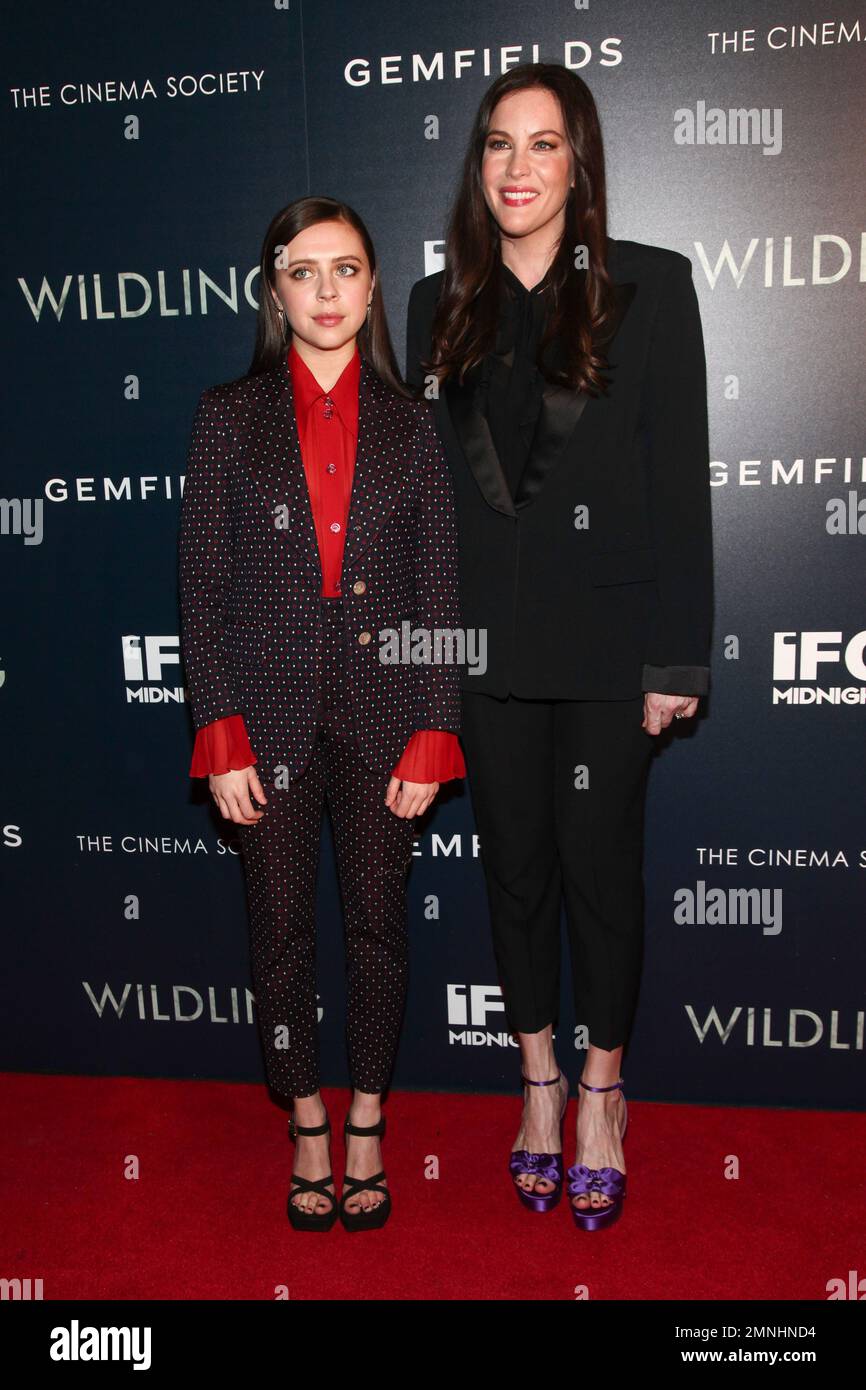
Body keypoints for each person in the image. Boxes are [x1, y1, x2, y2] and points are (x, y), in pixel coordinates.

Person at [405, 64, 713, 1231]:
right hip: (485, 651)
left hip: (608, 646)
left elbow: (676, 480)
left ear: (577, 162)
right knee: (512, 872)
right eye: (496, 144)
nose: (517, 167)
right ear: (476, 164)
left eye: (542, 144)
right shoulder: (441, 304)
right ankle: (536, 1079)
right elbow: (437, 499)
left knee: (597, 871)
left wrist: (675, 655)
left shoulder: (649, 286)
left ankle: (600, 1095)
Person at [179, 195, 465, 1232]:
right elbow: (200, 591)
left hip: (389, 711)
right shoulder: (225, 416)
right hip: (266, 717)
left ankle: (369, 1119)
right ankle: (305, 1115)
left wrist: (437, 725)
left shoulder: (414, 423)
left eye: (346, 269)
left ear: (374, 283)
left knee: (380, 930)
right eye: (303, 272)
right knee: (280, 931)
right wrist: (219, 735)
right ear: (274, 290)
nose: (326, 291)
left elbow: (440, 588)